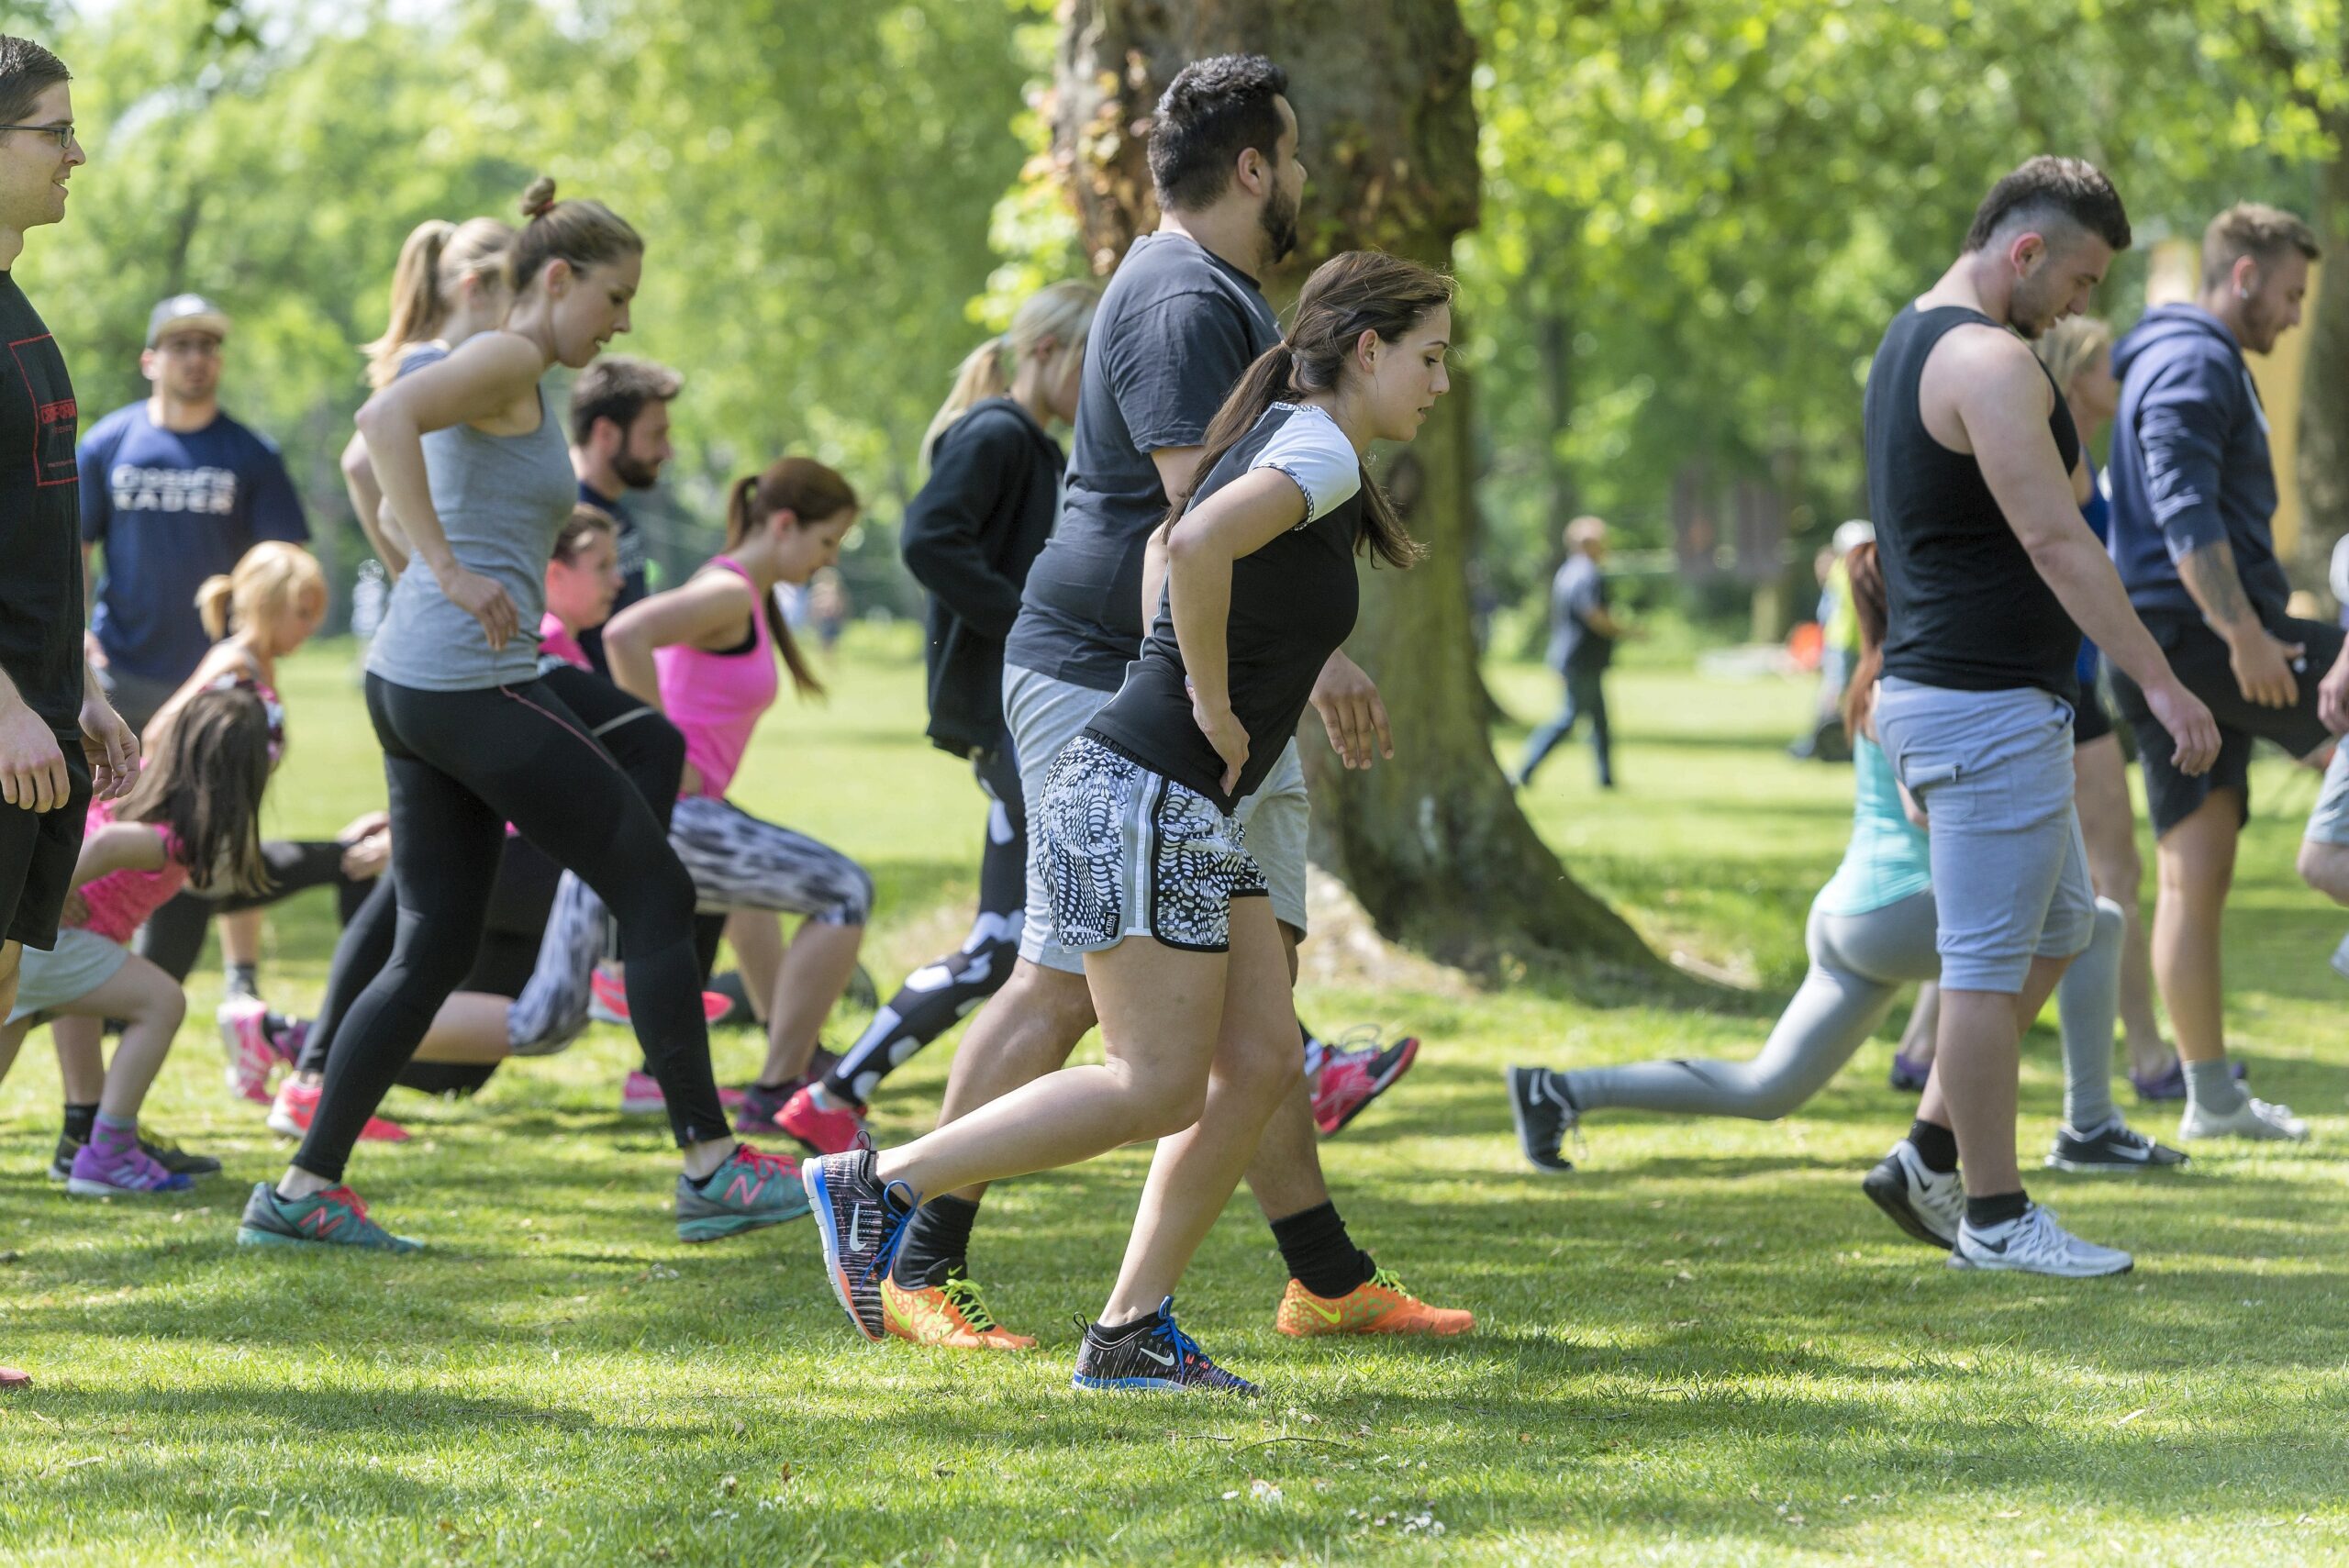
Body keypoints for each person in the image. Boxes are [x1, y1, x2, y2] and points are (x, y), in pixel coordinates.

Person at [873, 57, 1453, 1354]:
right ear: (1253, 166)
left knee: (1250, 1007)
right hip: (1120, 680)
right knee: (1079, 996)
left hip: (1173, 684)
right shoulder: (1191, 294)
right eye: (1293, 157)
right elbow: (1200, 527)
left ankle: (1304, 1271)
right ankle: (909, 1241)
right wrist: (1285, 669)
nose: (1302, 178)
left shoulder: (1213, 290)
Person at [235, 177, 798, 1254]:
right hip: (465, 683)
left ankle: (303, 1189)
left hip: (422, 682)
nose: (623, 320)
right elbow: (376, 420)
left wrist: (426, 564)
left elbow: (385, 455)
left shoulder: (521, 369)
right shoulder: (505, 358)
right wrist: (437, 567)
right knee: (656, 882)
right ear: (556, 278)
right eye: (615, 297)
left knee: (434, 940)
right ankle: (711, 1166)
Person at [1507, 543, 2182, 1175]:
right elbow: (1924, 810)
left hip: (1855, 914)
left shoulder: (1876, 676)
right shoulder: (1903, 686)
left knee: (1766, 1086)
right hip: (1891, 910)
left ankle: (1558, 1090)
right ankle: (2090, 1126)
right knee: (2098, 924)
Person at [1854, 155, 2217, 1279]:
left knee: (2065, 930)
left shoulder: (1909, 336)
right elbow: (2061, 542)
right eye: (2080, 279)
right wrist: (2160, 681)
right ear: (2024, 252)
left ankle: (1926, 1154)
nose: (2083, 306)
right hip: (1981, 705)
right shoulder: (1987, 359)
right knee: (1984, 963)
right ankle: (1996, 1214)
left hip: (1972, 701)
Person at [787, 282, 1097, 1144]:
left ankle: (834, 1097)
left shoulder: (1036, 447)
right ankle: (1301, 1062)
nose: (1098, 386)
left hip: (1016, 717)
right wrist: (1028, 625)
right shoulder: (997, 434)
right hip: (1012, 717)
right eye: (1089, 363)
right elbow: (928, 537)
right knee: (1115, 895)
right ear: (1045, 352)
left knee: (1000, 943)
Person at [1891, 317, 2184, 1098]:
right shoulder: (2049, 448)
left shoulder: (2069, 448)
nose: (2120, 377)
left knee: (2017, 901)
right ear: (2077, 372)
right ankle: (2147, 1055)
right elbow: (2051, 552)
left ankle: (1926, 1052)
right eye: (2108, 365)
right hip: (2058, 688)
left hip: (2058, 682)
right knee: (2107, 873)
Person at [2102, 205, 2327, 1141]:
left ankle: (2210, 1095)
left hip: (2164, 638)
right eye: (2286, 295)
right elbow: (2181, 499)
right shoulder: (2194, 359)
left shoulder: (2165, 353)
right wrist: (2239, 635)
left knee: (2196, 871)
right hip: (2209, 636)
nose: (2289, 316)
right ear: (2241, 277)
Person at [0, 33, 139, 1401]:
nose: (74, 156)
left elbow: (32, 537)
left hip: (39, 722)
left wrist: (75, 688)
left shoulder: (18, 307)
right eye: (52, 130)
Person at [597, 458, 874, 1135]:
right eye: (826, 540)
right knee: (845, 890)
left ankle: (797, 1054)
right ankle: (778, 1085)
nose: (827, 559)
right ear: (784, 524)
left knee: (757, 897)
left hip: (694, 812)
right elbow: (623, 633)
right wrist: (660, 752)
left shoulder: (742, 592)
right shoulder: (727, 590)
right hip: (675, 813)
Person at [0, 685, 275, 1194]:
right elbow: (106, 846)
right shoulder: (163, 837)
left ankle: (87, 1141)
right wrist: (50, 892)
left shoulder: (149, 798)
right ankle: (108, 1151)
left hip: (51, 947)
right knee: (162, 1002)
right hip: (49, 941)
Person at [79, 295, 309, 736]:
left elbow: (282, 566)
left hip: (218, 671)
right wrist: (78, 631)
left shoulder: (254, 454)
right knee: (108, 804)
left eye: (207, 346)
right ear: (150, 361)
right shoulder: (105, 444)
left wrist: (256, 646)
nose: (196, 358)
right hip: (116, 669)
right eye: (180, 345)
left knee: (213, 805)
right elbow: (74, 550)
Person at [343, 215, 518, 576]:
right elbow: (363, 470)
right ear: (475, 289)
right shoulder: (434, 365)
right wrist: (430, 574)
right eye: (517, 291)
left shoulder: (429, 361)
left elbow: (359, 464)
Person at [567, 354, 678, 674]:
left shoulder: (614, 506)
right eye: (656, 435)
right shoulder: (565, 516)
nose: (666, 452)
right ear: (606, 434)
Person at [1511, 515, 1632, 789]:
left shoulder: (1567, 572)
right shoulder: (1586, 574)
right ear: (1588, 543)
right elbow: (1594, 615)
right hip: (1581, 659)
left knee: (1599, 721)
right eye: (1602, 542)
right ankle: (1524, 769)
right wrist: (1624, 630)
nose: (1606, 547)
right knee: (1567, 718)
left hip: (1576, 657)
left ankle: (1606, 779)